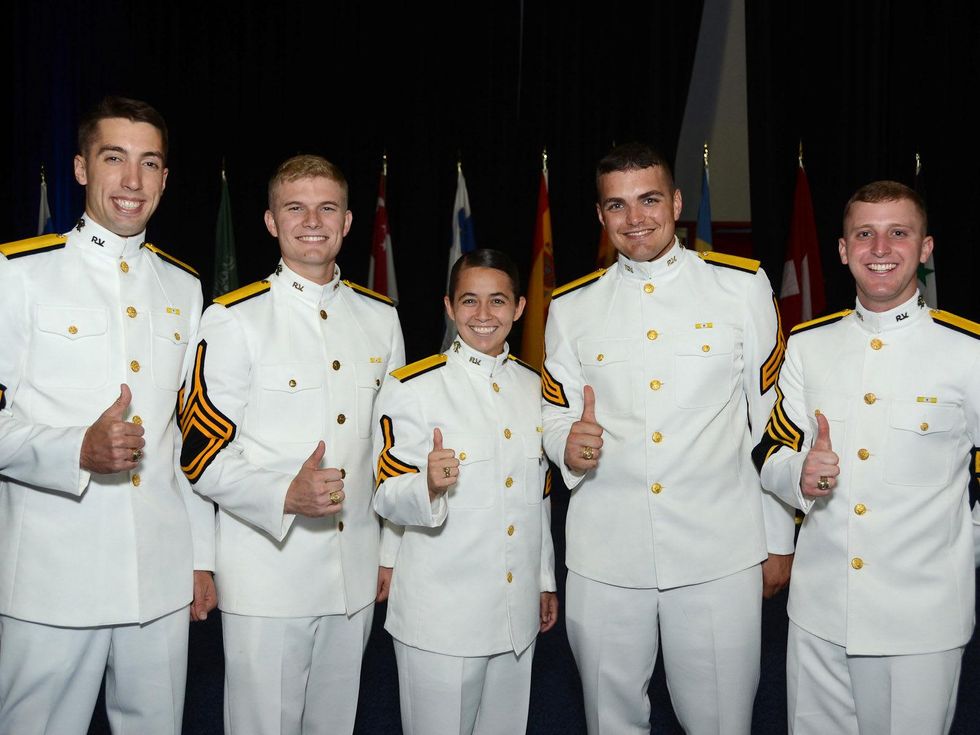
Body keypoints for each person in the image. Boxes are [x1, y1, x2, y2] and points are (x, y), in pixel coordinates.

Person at [541, 141, 796, 734]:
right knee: (609, 718)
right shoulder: (572, 306)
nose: (635, 219)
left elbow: (772, 418)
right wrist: (565, 444)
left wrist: (778, 537)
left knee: (720, 719)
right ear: (600, 214)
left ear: (677, 203)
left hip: (719, 551)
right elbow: (555, 412)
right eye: (617, 205)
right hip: (606, 553)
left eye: (649, 200)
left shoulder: (740, 286)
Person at [0, 95, 216, 734]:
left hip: (159, 573)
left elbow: (184, 434)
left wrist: (201, 556)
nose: (132, 181)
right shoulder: (19, 273)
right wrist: (76, 450)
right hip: (52, 575)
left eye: (149, 163)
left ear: (165, 178)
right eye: (113, 158)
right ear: (80, 168)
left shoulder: (183, 287)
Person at [179, 153, 405, 734]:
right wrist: (284, 493)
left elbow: (391, 449)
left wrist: (389, 552)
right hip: (268, 575)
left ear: (347, 221)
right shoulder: (233, 319)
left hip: (354, 573)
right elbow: (200, 456)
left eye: (327, 208)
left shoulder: (380, 318)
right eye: (295, 208)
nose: (312, 221)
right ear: (271, 221)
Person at [753, 180, 980, 735]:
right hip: (819, 613)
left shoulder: (967, 351)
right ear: (842, 249)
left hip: (921, 620)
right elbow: (773, 451)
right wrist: (799, 475)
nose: (880, 248)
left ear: (925, 248)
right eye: (864, 234)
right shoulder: (807, 344)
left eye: (898, 233)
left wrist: (961, 550)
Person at [372, 248, 558, 735]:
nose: (483, 314)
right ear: (449, 307)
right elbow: (385, 493)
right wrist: (427, 486)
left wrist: (544, 580)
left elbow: (537, 495)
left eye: (498, 301)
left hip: (515, 614)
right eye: (469, 300)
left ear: (519, 307)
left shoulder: (533, 387)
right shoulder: (412, 386)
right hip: (442, 619)